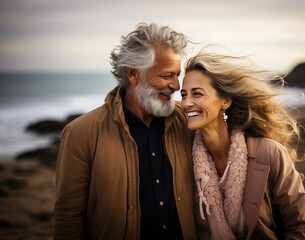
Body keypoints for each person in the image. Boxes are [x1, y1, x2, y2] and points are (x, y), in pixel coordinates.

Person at [53, 23, 197, 240]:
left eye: (177, 75)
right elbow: (68, 216)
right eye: (167, 75)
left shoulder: (189, 122)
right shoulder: (80, 133)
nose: (176, 86)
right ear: (133, 74)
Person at [180, 49, 305, 239]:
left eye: (197, 94)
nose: (186, 103)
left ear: (225, 101)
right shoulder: (184, 159)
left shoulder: (269, 153)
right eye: (183, 95)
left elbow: (302, 226)